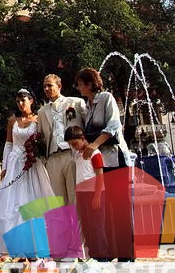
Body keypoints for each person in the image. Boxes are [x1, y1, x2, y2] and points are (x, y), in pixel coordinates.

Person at [0, 89, 54, 256]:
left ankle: (35, 244)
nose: (20, 104)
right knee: (9, 202)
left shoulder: (38, 119)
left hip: (32, 163)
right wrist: (5, 167)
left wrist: (36, 151)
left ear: (31, 101)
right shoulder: (12, 121)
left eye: (23, 100)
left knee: (32, 197)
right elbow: (9, 144)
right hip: (15, 162)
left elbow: (44, 139)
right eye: (18, 101)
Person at [75, 67, 132, 260]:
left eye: (81, 84)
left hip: (115, 157)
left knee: (120, 204)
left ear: (90, 84)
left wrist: (95, 144)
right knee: (105, 208)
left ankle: (126, 252)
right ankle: (110, 250)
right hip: (101, 161)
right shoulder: (88, 106)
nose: (79, 88)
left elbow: (114, 125)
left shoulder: (107, 98)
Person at [38, 74, 87, 205]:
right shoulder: (41, 112)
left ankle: (77, 220)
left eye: (49, 85)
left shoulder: (76, 103)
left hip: (72, 154)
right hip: (52, 158)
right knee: (58, 201)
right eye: (44, 86)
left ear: (59, 86)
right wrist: (45, 161)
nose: (46, 89)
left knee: (75, 197)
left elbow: (87, 126)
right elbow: (40, 137)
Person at [64, 125, 107, 260]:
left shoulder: (95, 153)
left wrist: (97, 196)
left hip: (93, 193)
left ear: (82, 138)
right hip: (82, 195)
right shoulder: (77, 155)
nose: (74, 147)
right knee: (87, 226)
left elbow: (100, 176)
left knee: (97, 226)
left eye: (75, 143)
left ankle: (102, 256)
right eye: (71, 145)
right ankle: (93, 255)